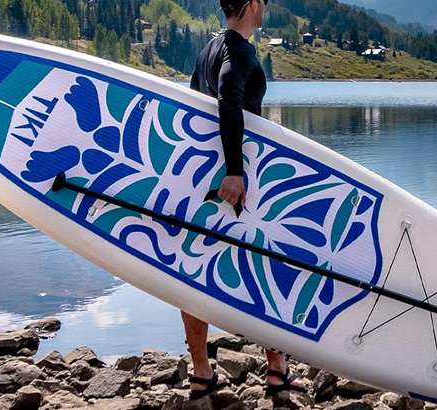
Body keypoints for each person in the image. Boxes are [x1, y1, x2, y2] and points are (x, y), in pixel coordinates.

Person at [184, 0, 306, 400]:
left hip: (202, 180)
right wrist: (234, 170)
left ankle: (202, 370)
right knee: (263, 266)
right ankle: (275, 370)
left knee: (192, 270)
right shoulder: (237, 51)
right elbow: (228, 101)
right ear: (253, 3)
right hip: (238, 184)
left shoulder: (208, 49)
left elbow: (191, 108)